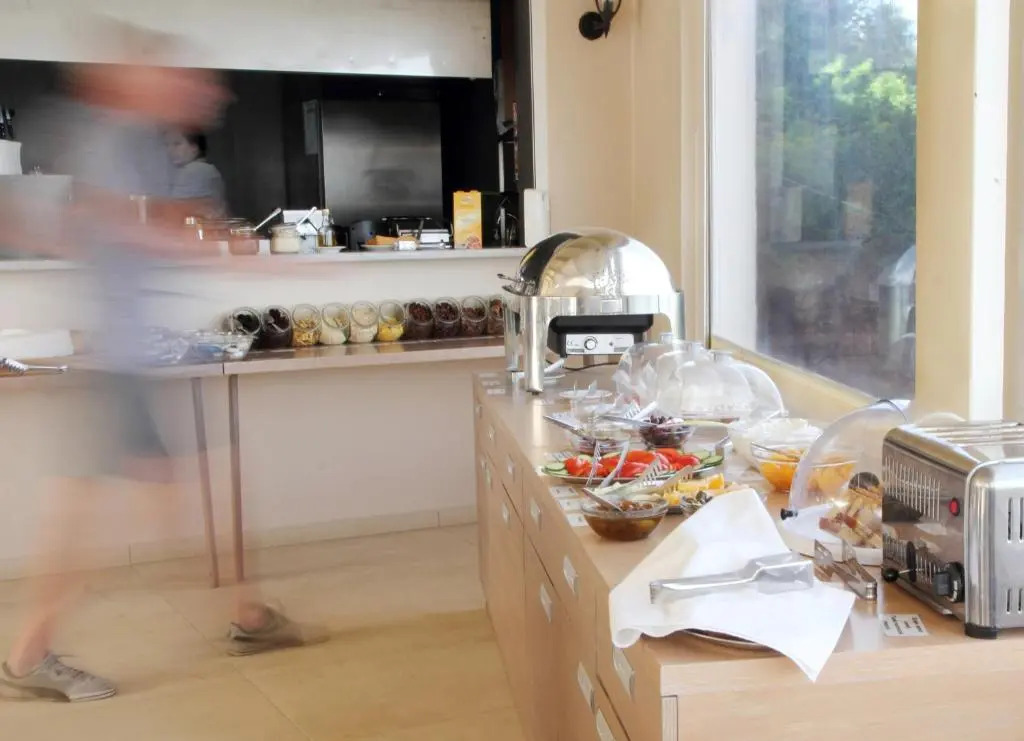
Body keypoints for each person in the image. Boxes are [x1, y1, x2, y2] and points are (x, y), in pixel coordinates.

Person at [0, 21, 321, 704]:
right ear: (135, 79)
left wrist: (209, 236)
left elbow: (143, 216)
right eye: (180, 78)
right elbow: (115, 222)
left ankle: (248, 613)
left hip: (132, 352)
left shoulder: (138, 142)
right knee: (97, 511)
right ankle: (28, 657)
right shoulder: (113, 136)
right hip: (118, 358)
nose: (203, 92)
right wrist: (215, 252)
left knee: (178, 492)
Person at [168, 129, 227, 218]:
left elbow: (174, 209)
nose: (170, 150)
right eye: (167, 145)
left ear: (194, 147)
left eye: (177, 144)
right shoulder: (208, 169)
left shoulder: (193, 170)